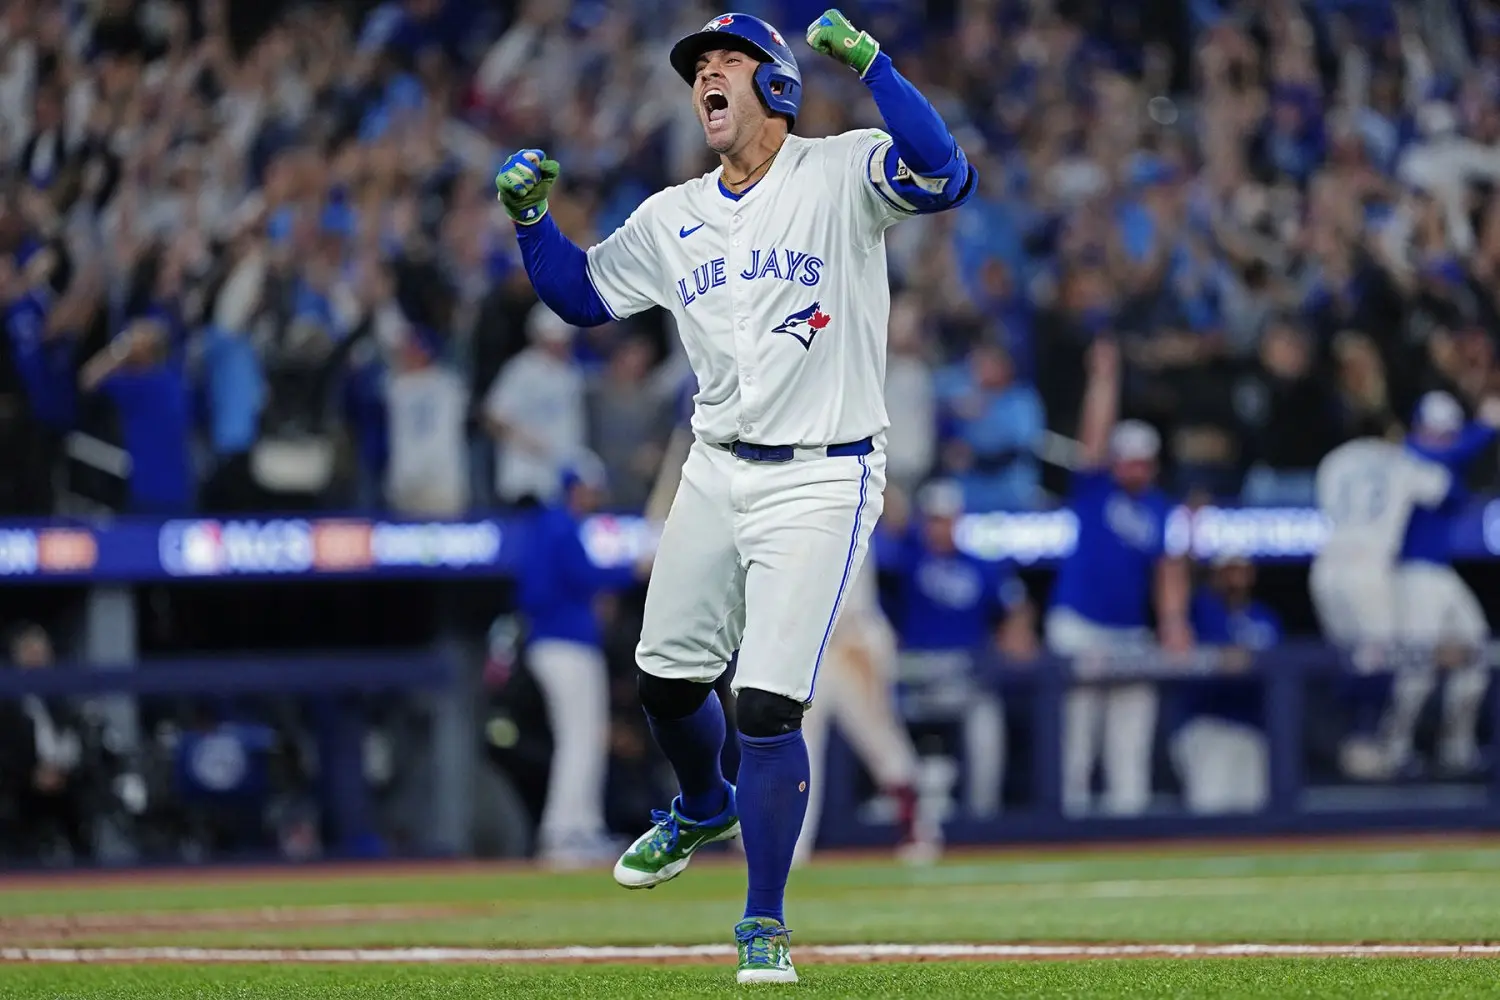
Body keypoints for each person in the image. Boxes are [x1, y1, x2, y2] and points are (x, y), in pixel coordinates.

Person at [494, 8, 976, 983]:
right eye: (699, 65)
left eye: (729, 60)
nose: (707, 76)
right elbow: (583, 296)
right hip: (716, 463)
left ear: (779, 85)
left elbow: (945, 172)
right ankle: (703, 804)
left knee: (765, 704)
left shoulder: (839, 170)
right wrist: (532, 223)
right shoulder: (675, 214)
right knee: (665, 682)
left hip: (824, 470)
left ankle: (763, 920)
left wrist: (875, 65)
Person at [1047, 338, 1190, 817]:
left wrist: (1174, 622)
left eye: (1142, 461)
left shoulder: (1160, 507)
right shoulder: (1095, 486)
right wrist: (1104, 378)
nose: (1134, 468)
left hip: (1130, 633)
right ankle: (1067, 829)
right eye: (1127, 459)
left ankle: (1130, 831)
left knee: (1129, 745)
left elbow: (1169, 569)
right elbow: (1093, 435)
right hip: (1079, 625)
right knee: (1076, 743)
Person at [874, 479, 1036, 825]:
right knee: (878, 716)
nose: (940, 527)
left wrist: (1015, 636)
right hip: (914, 678)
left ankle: (982, 817)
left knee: (987, 724)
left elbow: (1016, 607)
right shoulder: (908, 558)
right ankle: (891, 806)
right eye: (934, 519)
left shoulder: (981, 566)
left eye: (946, 519)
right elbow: (889, 524)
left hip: (965, 678)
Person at [516, 452, 645, 866]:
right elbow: (583, 575)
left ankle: (577, 828)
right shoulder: (559, 526)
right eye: (591, 489)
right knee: (580, 739)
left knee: (580, 737)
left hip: (556, 645)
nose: (596, 497)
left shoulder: (552, 525)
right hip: (565, 646)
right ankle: (567, 831)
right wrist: (632, 570)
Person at [1309, 426, 1455, 780]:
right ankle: (1365, 745)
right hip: (1367, 568)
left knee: (1347, 659)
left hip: (1326, 566)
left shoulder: (1336, 458)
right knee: (1384, 658)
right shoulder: (1400, 459)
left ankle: (1342, 746)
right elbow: (1445, 489)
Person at [1380, 392, 1499, 776]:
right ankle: (1393, 750)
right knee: (1417, 668)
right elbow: (1451, 456)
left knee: (1477, 648)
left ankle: (1456, 748)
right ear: (1419, 428)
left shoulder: (1441, 460)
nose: (1442, 438)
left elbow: (1456, 481)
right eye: (1435, 431)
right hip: (1412, 575)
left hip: (1440, 573)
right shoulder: (1408, 456)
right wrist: (1487, 425)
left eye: (1448, 432)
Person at [1171, 556, 1280, 815]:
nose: (1235, 577)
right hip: (1207, 726)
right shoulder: (1200, 610)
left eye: (1241, 570)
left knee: (1255, 817)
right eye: (1229, 570)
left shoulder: (1264, 617)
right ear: (1216, 573)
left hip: (1252, 730)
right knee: (1209, 815)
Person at [482, 303, 587, 506]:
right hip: (524, 477)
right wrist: (523, 439)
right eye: (553, 341)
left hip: (560, 477)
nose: (559, 347)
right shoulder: (520, 369)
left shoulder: (571, 373)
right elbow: (492, 417)